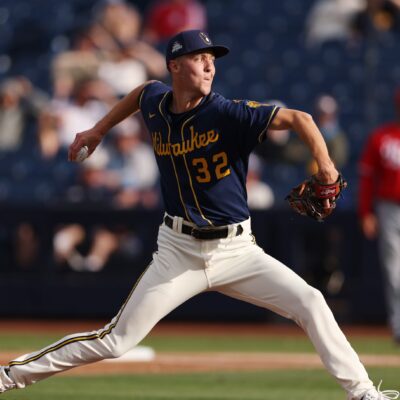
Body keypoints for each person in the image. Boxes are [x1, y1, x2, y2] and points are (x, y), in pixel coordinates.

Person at [0, 30, 398, 400]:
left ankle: (363, 393)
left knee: (310, 301)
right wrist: (98, 130)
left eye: (212, 59)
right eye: (199, 58)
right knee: (116, 341)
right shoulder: (156, 101)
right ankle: (8, 377)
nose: (209, 65)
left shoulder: (228, 113)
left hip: (238, 251)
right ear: (175, 66)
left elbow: (301, 119)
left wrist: (326, 166)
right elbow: (140, 93)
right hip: (179, 251)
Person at [358, 88, 400, 345]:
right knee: (394, 271)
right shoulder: (381, 137)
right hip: (388, 208)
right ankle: (398, 325)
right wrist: (366, 213)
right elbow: (366, 180)